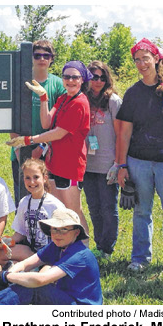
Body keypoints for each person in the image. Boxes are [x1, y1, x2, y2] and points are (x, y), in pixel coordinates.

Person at [114, 38, 163, 276]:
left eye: (145, 58)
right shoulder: (133, 93)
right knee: (141, 212)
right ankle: (140, 259)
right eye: (137, 59)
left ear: (157, 59)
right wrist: (121, 165)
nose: (141, 63)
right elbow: (124, 133)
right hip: (139, 162)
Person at [10, 61, 91, 230]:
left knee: (73, 212)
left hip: (70, 166)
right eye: (66, 76)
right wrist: (44, 98)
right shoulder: (63, 99)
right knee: (58, 211)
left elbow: (59, 133)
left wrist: (29, 140)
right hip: (54, 164)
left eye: (75, 77)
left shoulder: (80, 103)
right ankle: (64, 249)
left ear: (82, 79)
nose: (70, 80)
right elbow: (46, 122)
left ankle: (83, 250)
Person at [0, 206, 102, 306]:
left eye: (64, 229)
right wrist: (7, 276)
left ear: (76, 232)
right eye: (54, 229)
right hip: (66, 298)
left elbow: (41, 279)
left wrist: (6, 276)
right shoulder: (57, 245)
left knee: (34, 288)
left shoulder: (79, 255)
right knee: (19, 280)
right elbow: (26, 264)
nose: (57, 234)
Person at [7, 39, 64, 204]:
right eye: (37, 55)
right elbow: (11, 117)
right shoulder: (20, 82)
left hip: (48, 150)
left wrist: (41, 147)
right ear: (31, 58)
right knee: (23, 200)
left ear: (52, 59)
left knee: (48, 200)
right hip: (20, 150)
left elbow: (58, 122)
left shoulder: (58, 85)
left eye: (46, 55)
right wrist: (18, 150)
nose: (42, 59)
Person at [83, 62, 122, 256]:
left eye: (101, 77)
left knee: (108, 208)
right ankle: (98, 245)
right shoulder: (82, 99)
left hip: (108, 163)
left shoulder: (113, 101)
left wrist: (119, 163)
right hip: (87, 165)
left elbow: (121, 134)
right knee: (94, 208)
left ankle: (108, 247)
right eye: (93, 77)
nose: (97, 81)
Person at [8, 158, 64, 262]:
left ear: (45, 178)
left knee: (39, 274)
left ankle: (32, 269)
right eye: (27, 178)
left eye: (36, 177)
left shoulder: (55, 205)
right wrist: (6, 242)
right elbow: (20, 232)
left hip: (50, 253)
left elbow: (64, 236)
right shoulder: (24, 202)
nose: (32, 182)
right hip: (30, 251)